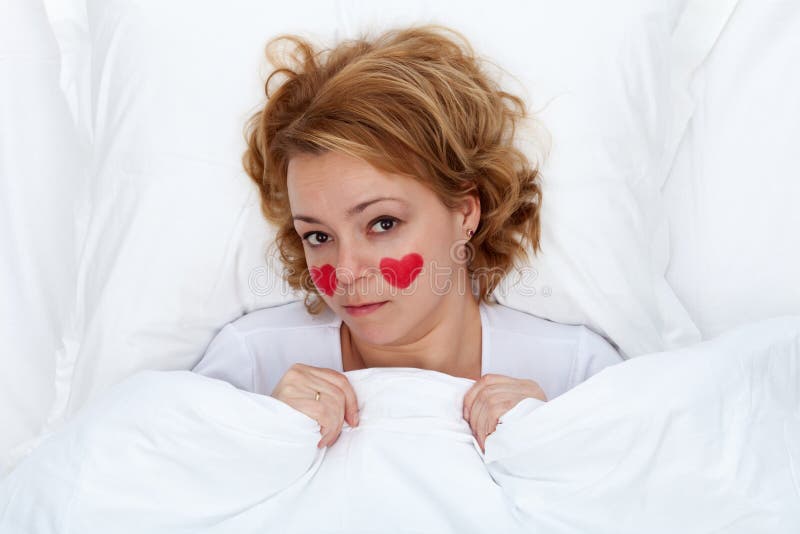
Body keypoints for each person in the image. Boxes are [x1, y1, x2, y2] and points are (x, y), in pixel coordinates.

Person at [192, 24, 623, 454]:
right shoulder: (250, 365)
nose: (346, 272)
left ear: (465, 213)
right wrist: (262, 436)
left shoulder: (576, 374)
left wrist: (552, 444)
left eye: (383, 224)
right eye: (319, 235)